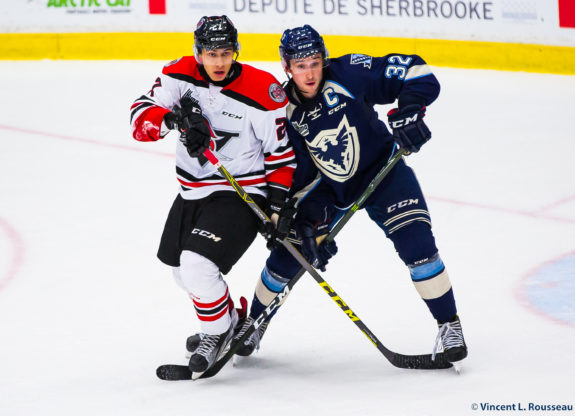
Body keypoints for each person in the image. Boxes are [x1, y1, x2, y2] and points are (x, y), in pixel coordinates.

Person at [233, 25, 467, 364]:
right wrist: (298, 217)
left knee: (418, 246)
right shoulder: (283, 112)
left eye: (314, 62)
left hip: (383, 173)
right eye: (300, 66)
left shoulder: (351, 71)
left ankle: (450, 324)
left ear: (324, 59)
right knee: (291, 251)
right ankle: (254, 323)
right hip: (329, 189)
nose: (309, 72)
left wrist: (410, 110)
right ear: (287, 67)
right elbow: (295, 173)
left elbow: (415, 70)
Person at [129, 15, 296, 374]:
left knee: (197, 266)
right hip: (192, 191)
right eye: (210, 53)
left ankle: (216, 332)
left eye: (225, 53)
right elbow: (139, 117)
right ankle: (230, 319)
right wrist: (174, 121)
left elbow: (281, 157)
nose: (218, 62)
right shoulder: (178, 73)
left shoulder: (262, 90)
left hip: (241, 192)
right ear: (198, 52)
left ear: (236, 51)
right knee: (179, 270)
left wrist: (278, 208)